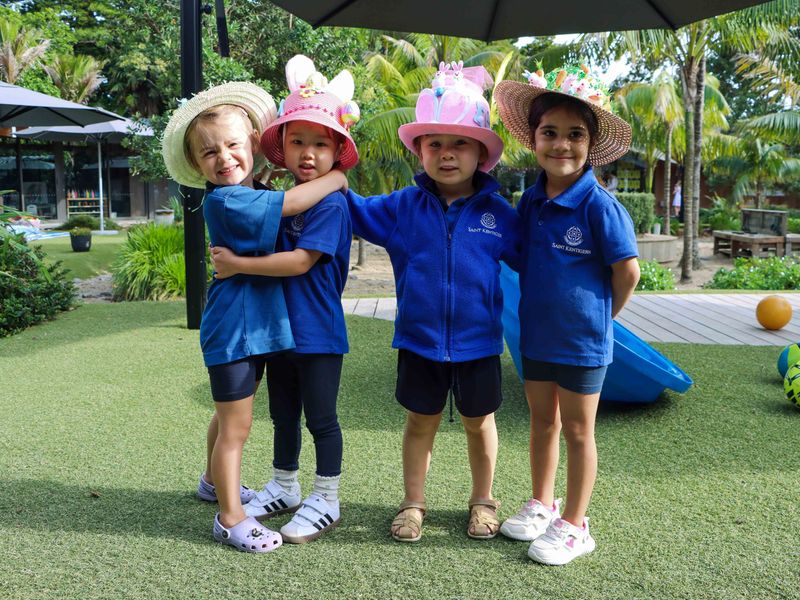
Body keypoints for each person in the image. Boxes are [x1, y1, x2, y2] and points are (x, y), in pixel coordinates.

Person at [161, 81, 348, 553]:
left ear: (253, 145)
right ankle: (230, 518)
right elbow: (290, 206)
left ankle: (211, 482)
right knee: (236, 427)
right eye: (208, 153)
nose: (223, 158)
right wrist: (337, 178)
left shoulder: (254, 188)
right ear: (197, 164)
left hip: (257, 326)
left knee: (229, 417)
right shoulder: (229, 199)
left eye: (232, 145)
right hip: (237, 330)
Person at [346, 61, 520, 542]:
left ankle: (484, 500)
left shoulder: (498, 214)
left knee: (479, 423)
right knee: (419, 421)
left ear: (481, 152)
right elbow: (354, 212)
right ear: (419, 150)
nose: (447, 154)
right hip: (419, 341)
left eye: (460, 142)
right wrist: (333, 179)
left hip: (479, 343)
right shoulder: (402, 206)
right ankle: (412, 503)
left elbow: (535, 257)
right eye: (435, 143)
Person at [208, 56, 358, 544]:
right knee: (283, 414)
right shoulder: (283, 195)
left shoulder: (330, 203)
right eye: (298, 142)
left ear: (339, 150)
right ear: (282, 148)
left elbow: (298, 262)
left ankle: (327, 496)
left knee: (321, 418)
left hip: (317, 331)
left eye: (321, 143)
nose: (309, 153)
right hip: (279, 330)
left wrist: (237, 265)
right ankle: (286, 484)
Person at [495, 65, 640, 565]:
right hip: (535, 336)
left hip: (582, 342)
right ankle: (542, 502)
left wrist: (603, 318)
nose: (561, 145)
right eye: (549, 133)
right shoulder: (530, 200)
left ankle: (576, 525)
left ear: (592, 143)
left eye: (575, 134)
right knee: (542, 422)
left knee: (579, 431)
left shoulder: (599, 205)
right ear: (533, 139)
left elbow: (629, 272)